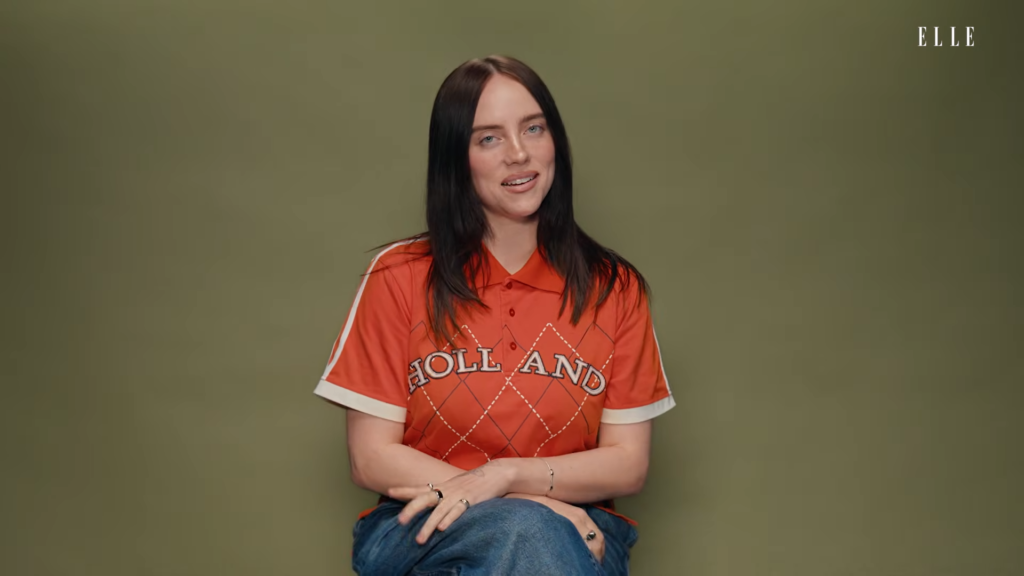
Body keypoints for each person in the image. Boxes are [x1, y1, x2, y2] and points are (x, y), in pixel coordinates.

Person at [314, 55, 676, 575]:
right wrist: (537, 505)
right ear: (455, 159)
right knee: (530, 531)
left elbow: (627, 463)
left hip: (579, 535)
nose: (519, 153)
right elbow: (370, 457)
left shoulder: (614, 289)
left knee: (534, 541)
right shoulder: (398, 277)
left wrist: (506, 476)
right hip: (421, 524)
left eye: (533, 128)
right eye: (489, 138)